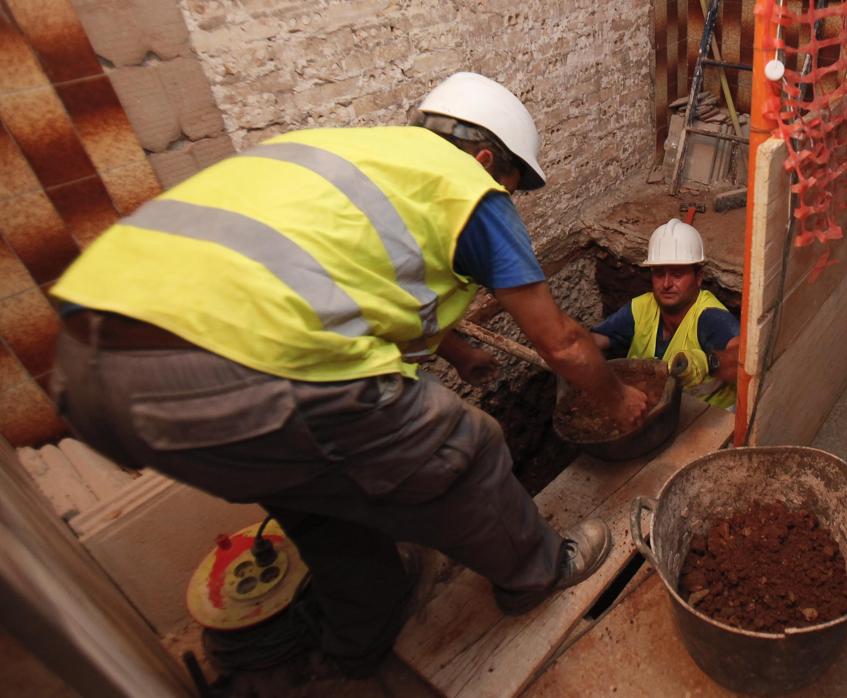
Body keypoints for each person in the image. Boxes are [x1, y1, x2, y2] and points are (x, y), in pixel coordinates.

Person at [47, 72, 649, 676]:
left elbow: (344, 279)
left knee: (313, 497)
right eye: (512, 186)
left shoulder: (342, 154)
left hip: (85, 362)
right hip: (241, 364)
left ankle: (361, 636)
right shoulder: (468, 186)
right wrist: (617, 399)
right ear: (489, 160)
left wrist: (457, 350)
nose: (507, 200)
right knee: (467, 445)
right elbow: (565, 345)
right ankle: (538, 573)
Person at [590, 219, 740, 409]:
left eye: (677, 274)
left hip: (709, 420)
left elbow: (743, 358)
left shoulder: (709, 317)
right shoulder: (641, 308)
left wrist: (708, 362)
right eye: (659, 274)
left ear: (699, 278)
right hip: (657, 410)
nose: (667, 283)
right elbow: (592, 342)